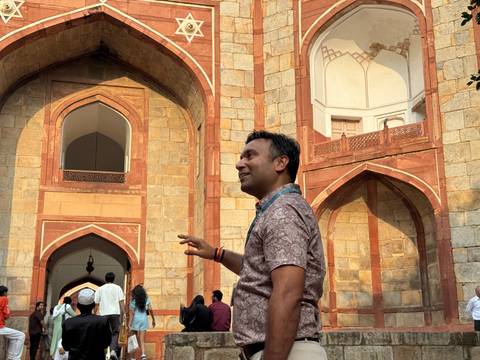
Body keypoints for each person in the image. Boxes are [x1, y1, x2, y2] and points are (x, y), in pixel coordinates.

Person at [179, 130, 327, 360]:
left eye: (250, 156)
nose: (239, 164)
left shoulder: (283, 211)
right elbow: (258, 272)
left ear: (280, 163)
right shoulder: (276, 210)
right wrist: (217, 254)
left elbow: (288, 292)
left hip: (287, 351)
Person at [62, 288, 111, 360]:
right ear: (93, 305)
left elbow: (66, 347)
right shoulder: (102, 321)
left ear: (78, 306)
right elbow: (106, 343)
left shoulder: (68, 323)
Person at [94, 272, 125, 360]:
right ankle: (112, 351)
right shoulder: (118, 288)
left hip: (103, 314)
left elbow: (96, 303)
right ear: (113, 279)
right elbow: (121, 302)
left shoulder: (100, 289)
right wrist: (124, 313)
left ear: (105, 279)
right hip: (115, 313)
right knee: (115, 333)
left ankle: (102, 353)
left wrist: (95, 314)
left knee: (103, 333)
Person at [128, 284, 156, 360]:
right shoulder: (146, 299)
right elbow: (150, 310)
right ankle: (143, 355)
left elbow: (131, 314)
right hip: (144, 320)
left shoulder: (133, 301)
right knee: (142, 339)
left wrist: (129, 325)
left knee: (134, 339)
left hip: (135, 320)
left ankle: (133, 357)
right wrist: (153, 320)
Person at [0, 285, 25, 360]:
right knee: (21, 335)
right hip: (0, 326)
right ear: (4, 292)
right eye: (6, 292)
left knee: (13, 337)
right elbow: (6, 314)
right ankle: (14, 358)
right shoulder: (4, 299)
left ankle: (11, 356)